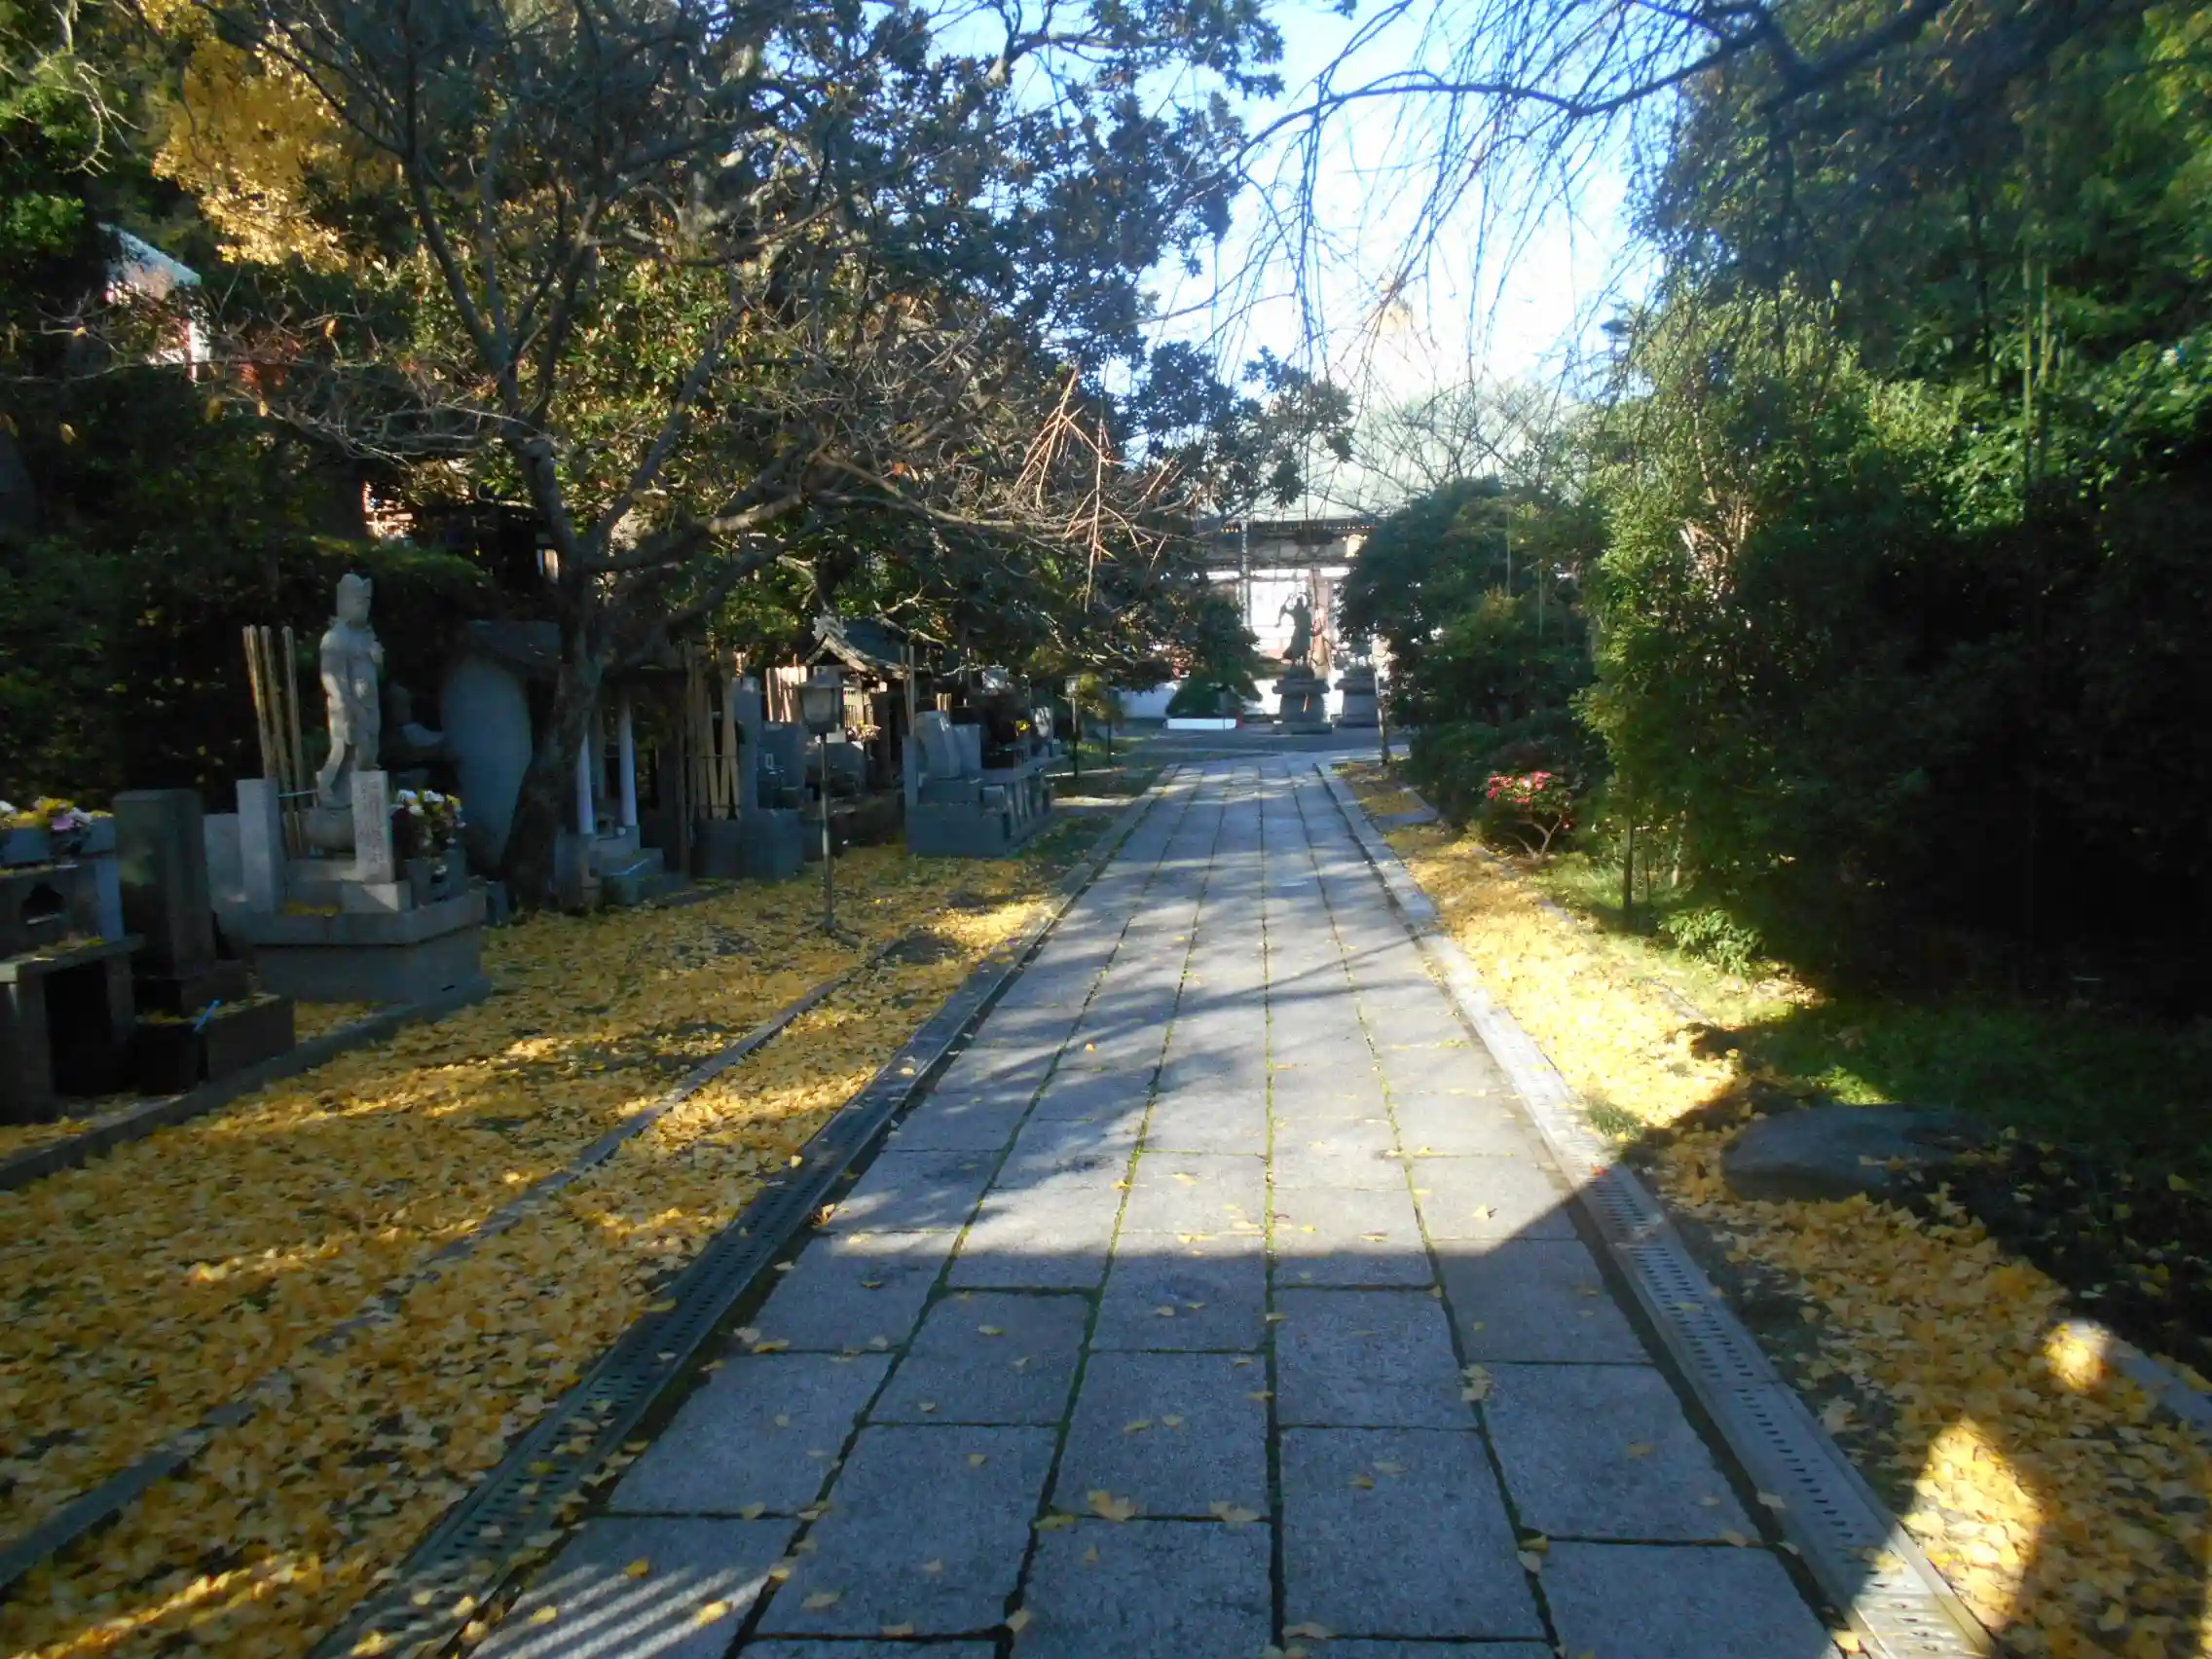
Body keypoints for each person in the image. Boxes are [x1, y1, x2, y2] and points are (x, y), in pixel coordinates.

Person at [315, 572, 384, 807]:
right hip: (347, 703)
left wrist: (377, 660)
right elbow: (330, 675)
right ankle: (327, 788)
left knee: (369, 752)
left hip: (370, 703)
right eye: (358, 602)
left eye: (366, 602)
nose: (363, 608)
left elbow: (376, 673)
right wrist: (344, 702)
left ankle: (359, 799)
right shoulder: (336, 637)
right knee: (344, 748)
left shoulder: (367, 635)